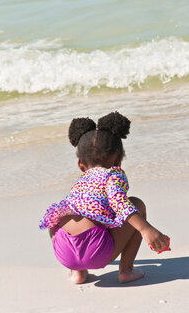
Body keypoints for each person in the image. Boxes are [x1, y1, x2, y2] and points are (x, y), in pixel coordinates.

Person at [39, 111, 170, 284]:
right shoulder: (112, 175)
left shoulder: (81, 182)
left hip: (64, 251)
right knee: (136, 204)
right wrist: (145, 229)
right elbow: (118, 201)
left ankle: (77, 273)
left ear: (80, 164)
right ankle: (126, 271)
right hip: (97, 251)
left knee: (56, 215)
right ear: (118, 161)